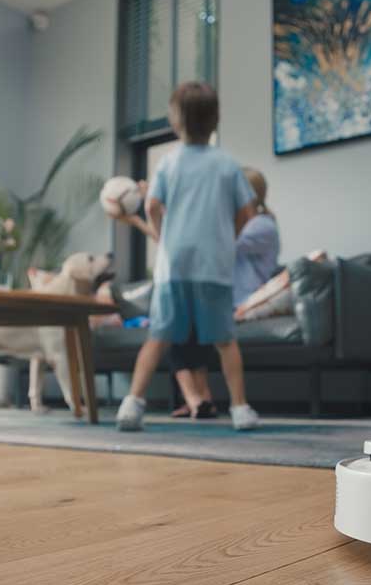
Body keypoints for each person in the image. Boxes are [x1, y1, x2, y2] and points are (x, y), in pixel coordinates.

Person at [112, 81, 260, 432]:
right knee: (225, 341)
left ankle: (132, 406)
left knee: (158, 338)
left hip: (173, 268)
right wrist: (229, 237)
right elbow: (248, 212)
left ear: (175, 120)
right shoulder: (227, 164)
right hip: (214, 268)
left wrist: (163, 237)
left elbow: (151, 205)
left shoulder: (168, 163)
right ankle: (240, 409)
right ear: (216, 119)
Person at [168, 168, 279, 418]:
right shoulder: (241, 223)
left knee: (183, 327)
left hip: (244, 300)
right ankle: (200, 399)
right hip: (225, 299)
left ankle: (197, 399)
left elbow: (219, 245)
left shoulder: (262, 225)